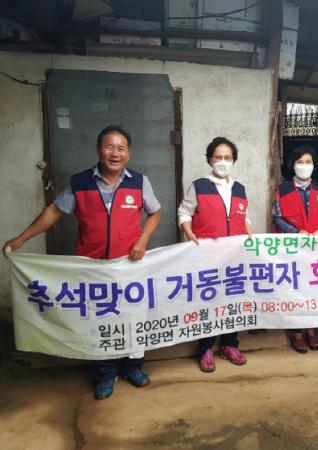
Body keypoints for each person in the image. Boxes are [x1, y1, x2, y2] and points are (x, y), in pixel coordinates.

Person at [2, 125, 162, 400]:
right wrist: (21, 239)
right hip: (92, 266)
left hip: (130, 265)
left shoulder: (139, 181)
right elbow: (54, 211)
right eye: (109, 147)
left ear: (129, 153)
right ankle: (105, 373)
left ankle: (134, 367)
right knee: (98, 318)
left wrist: (142, 241)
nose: (115, 153)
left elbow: (155, 213)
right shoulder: (80, 182)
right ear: (99, 149)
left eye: (121, 148)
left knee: (133, 316)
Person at [177, 136, 252, 372]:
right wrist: (188, 231)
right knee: (208, 301)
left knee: (232, 301)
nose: (223, 161)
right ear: (210, 159)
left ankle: (229, 345)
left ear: (234, 160)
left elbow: (242, 216)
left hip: (235, 256)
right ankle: (205, 348)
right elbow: (184, 211)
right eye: (218, 157)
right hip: (207, 256)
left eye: (227, 157)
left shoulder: (240, 188)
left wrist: (248, 228)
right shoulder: (199, 186)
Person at [272, 145, 318, 353]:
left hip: (315, 249)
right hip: (293, 249)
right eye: (300, 162)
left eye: (308, 162)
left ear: (314, 165)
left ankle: (311, 331)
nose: (304, 166)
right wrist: (296, 233)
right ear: (293, 165)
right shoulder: (283, 189)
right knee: (294, 291)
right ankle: (297, 334)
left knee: (313, 289)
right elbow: (277, 217)